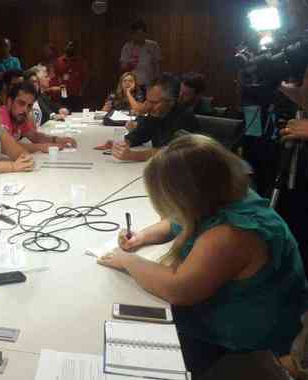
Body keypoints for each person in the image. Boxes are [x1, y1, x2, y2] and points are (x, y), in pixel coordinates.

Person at [97, 134, 307, 376]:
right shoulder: (224, 194)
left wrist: (127, 261)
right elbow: (176, 221)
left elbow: (177, 289)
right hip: (231, 318)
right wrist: (142, 236)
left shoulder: (231, 234)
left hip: (244, 346)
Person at [107, 75, 199, 162]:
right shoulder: (156, 114)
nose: (148, 106)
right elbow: (139, 135)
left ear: (171, 101)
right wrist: (122, 144)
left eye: (154, 102)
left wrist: (134, 155)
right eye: (148, 100)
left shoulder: (184, 117)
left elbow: (171, 151)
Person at [0, 81, 77, 154]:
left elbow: (34, 136)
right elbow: (7, 146)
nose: (25, 110)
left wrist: (57, 139)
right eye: (21, 103)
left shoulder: (19, 116)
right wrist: (41, 147)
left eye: (29, 106)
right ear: (9, 102)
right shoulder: (0, 116)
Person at [120, 20, 161, 89]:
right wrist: (129, 65)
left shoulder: (153, 45)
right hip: (132, 85)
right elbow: (122, 68)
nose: (139, 36)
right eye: (136, 34)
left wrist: (156, 82)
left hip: (149, 84)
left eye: (141, 34)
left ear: (145, 33)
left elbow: (157, 65)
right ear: (132, 34)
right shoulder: (127, 47)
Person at [53, 40, 88, 112]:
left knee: (77, 115)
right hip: (63, 94)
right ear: (65, 47)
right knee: (64, 113)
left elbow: (85, 78)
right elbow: (56, 76)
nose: (71, 48)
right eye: (69, 45)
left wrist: (81, 91)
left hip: (77, 95)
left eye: (73, 46)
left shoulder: (80, 61)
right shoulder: (59, 61)